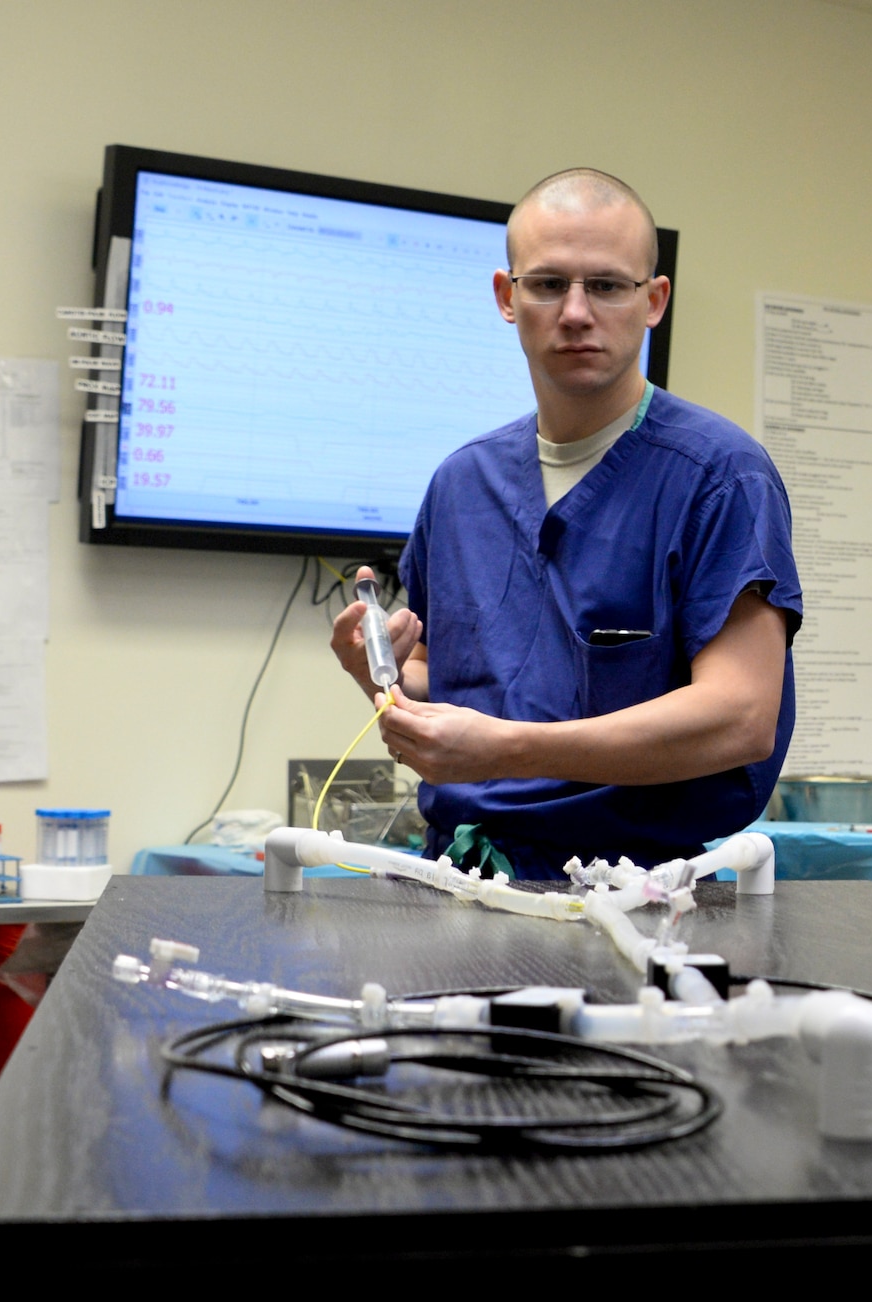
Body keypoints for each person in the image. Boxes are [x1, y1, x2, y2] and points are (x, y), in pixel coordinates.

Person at [331, 168, 802, 880]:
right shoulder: (463, 485)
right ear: (506, 297)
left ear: (654, 301)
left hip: (636, 895)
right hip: (458, 884)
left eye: (607, 286)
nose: (576, 312)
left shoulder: (719, 477)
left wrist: (506, 749)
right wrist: (377, 670)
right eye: (548, 284)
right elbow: (451, 683)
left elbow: (741, 717)